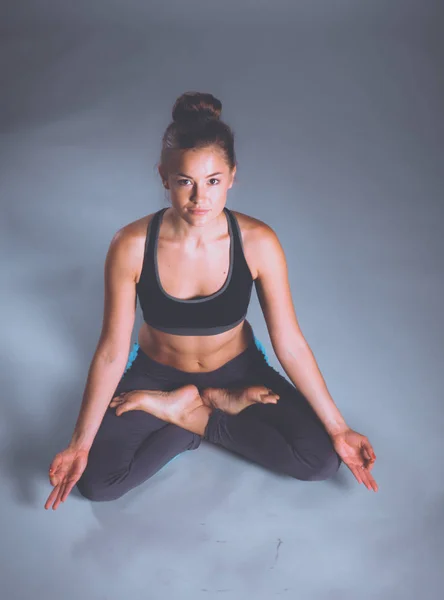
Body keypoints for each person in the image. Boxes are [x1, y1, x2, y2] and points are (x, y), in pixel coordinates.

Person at [45, 91, 378, 510]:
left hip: (238, 372)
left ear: (233, 176)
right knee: (98, 482)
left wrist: (339, 427)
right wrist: (79, 443)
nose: (200, 199)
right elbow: (112, 351)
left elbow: (289, 342)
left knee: (320, 460)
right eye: (185, 182)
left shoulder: (258, 242)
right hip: (155, 374)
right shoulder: (130, 245)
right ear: (164, 176)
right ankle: (189, 406)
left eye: (213, 181)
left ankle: (194, 413)